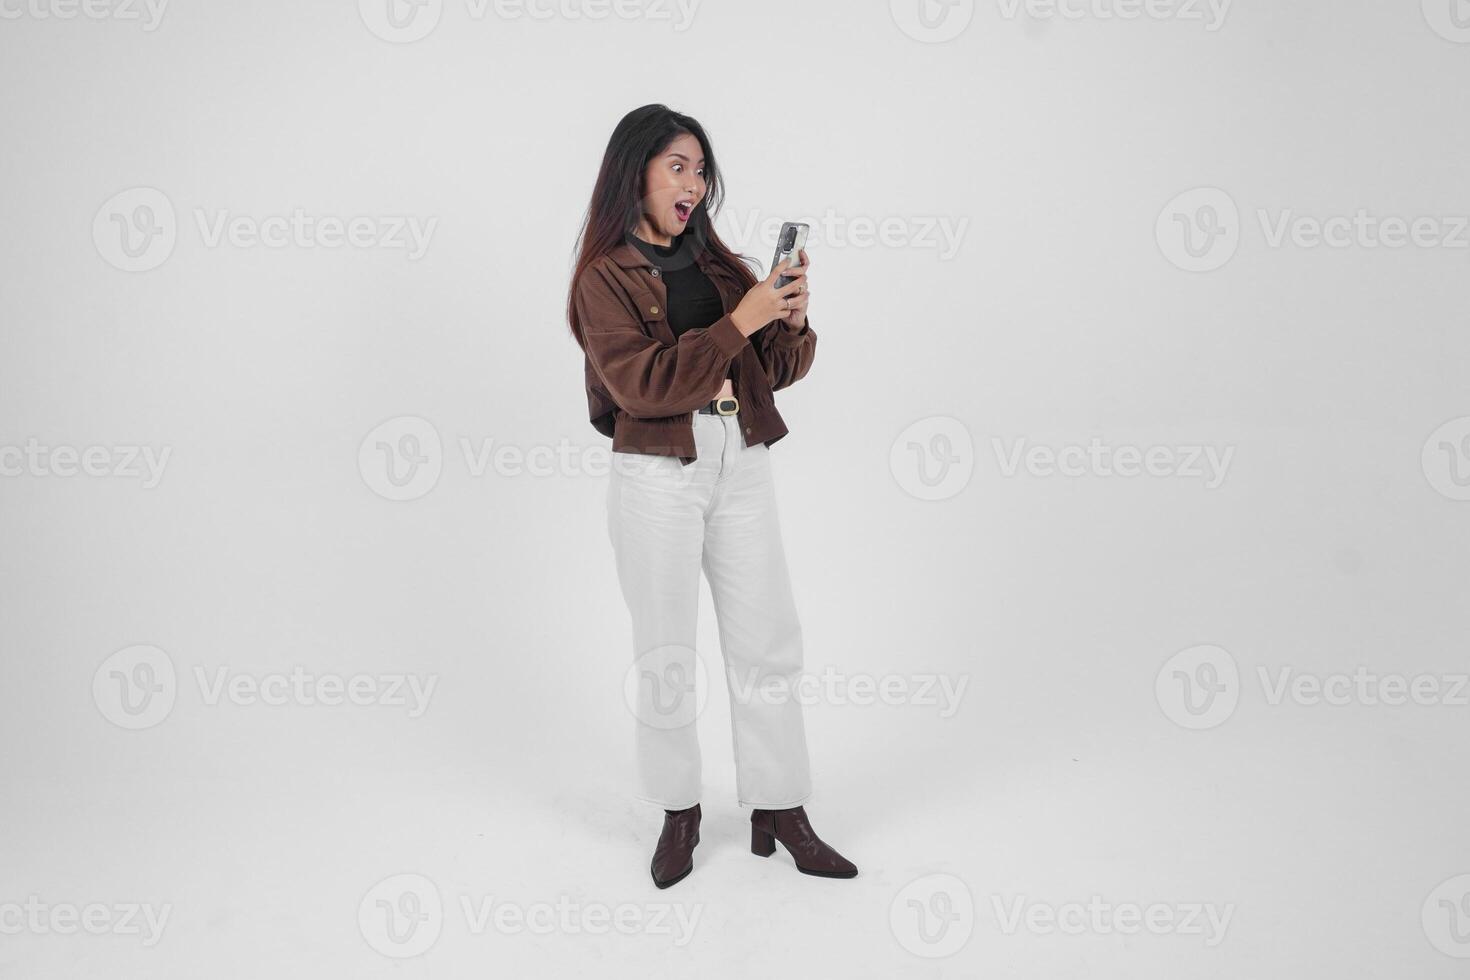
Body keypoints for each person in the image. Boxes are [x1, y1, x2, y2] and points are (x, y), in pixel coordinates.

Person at [566, 104, 858, 888]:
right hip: (657, 471)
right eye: (678, 166)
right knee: (665, 653)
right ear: (636, 172)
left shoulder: (721, 264)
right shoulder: (602, 279)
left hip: (741, 457)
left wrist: (788, 319)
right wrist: (739, 324)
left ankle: (779, 807)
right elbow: (644, 385)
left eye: (701, 168)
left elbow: (776, 370)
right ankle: (679, 811)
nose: (694, 183)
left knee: (769, 642)